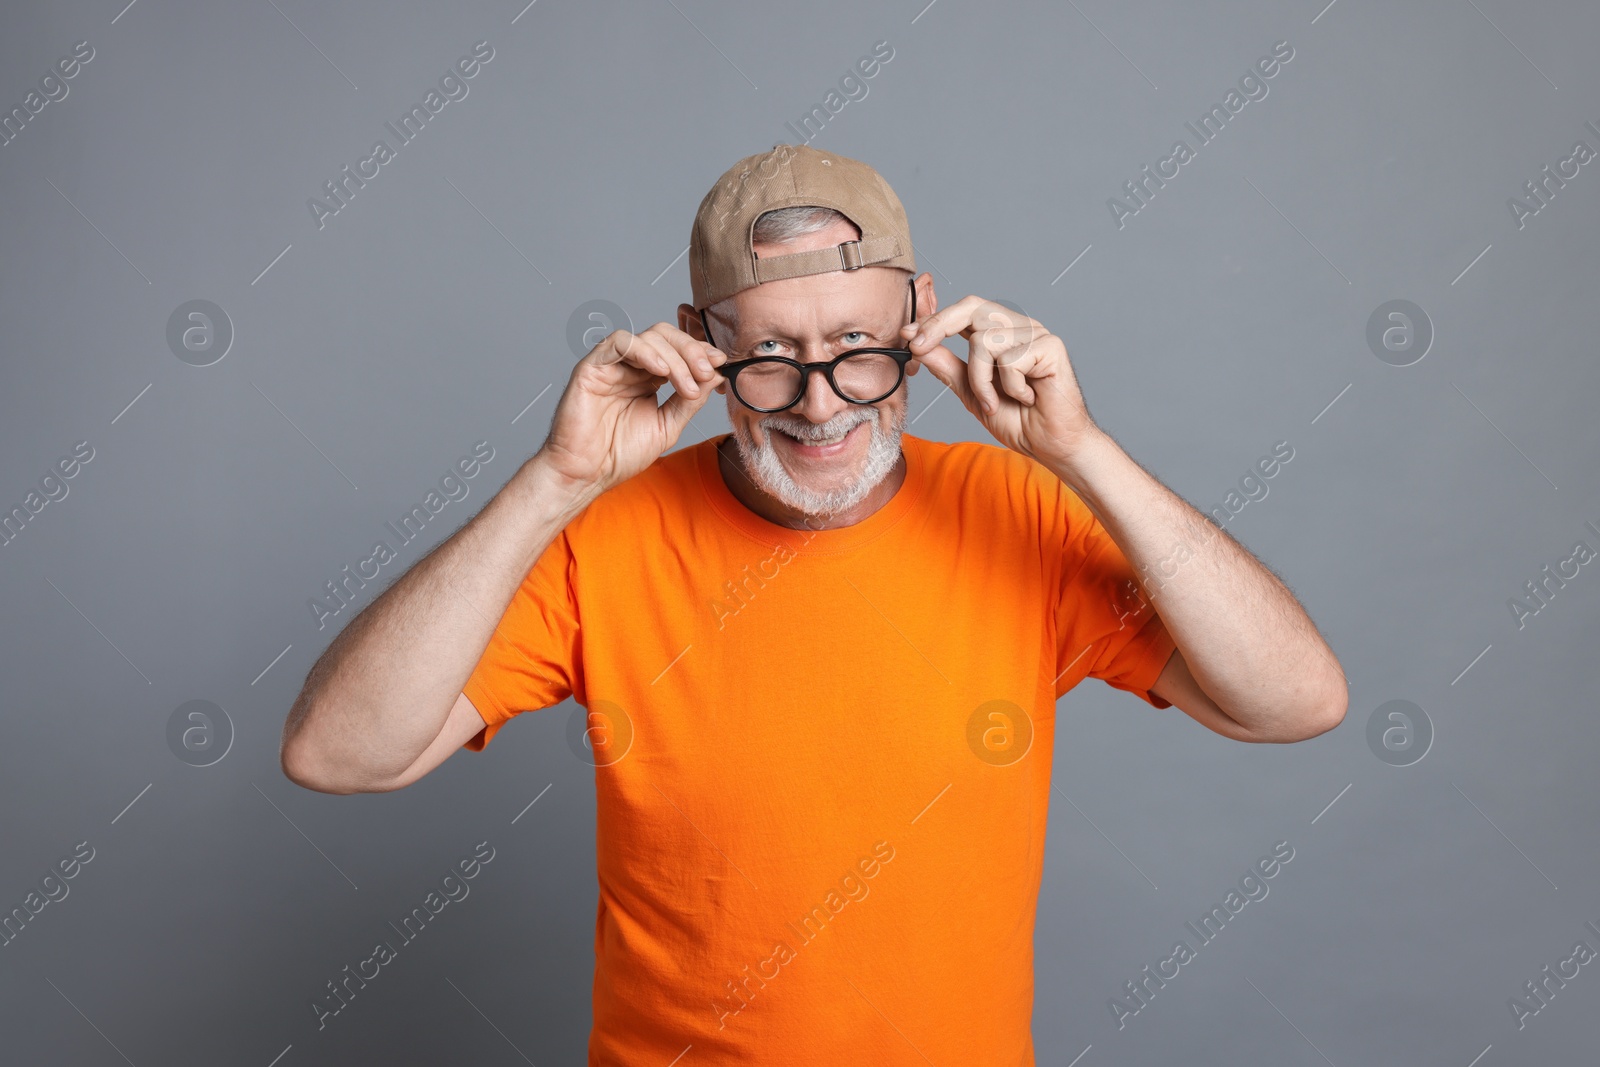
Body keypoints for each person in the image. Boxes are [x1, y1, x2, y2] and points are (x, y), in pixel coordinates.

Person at [279, 143, 1347, 1064]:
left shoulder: (1019, 508)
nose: (820, 403)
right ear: (702, 341)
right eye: (770, 356)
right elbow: (339, 753)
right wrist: (554, 479)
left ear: (922, 316)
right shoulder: (599, 536)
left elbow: (1292, 700)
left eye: (856, 348)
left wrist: (1083, 451)